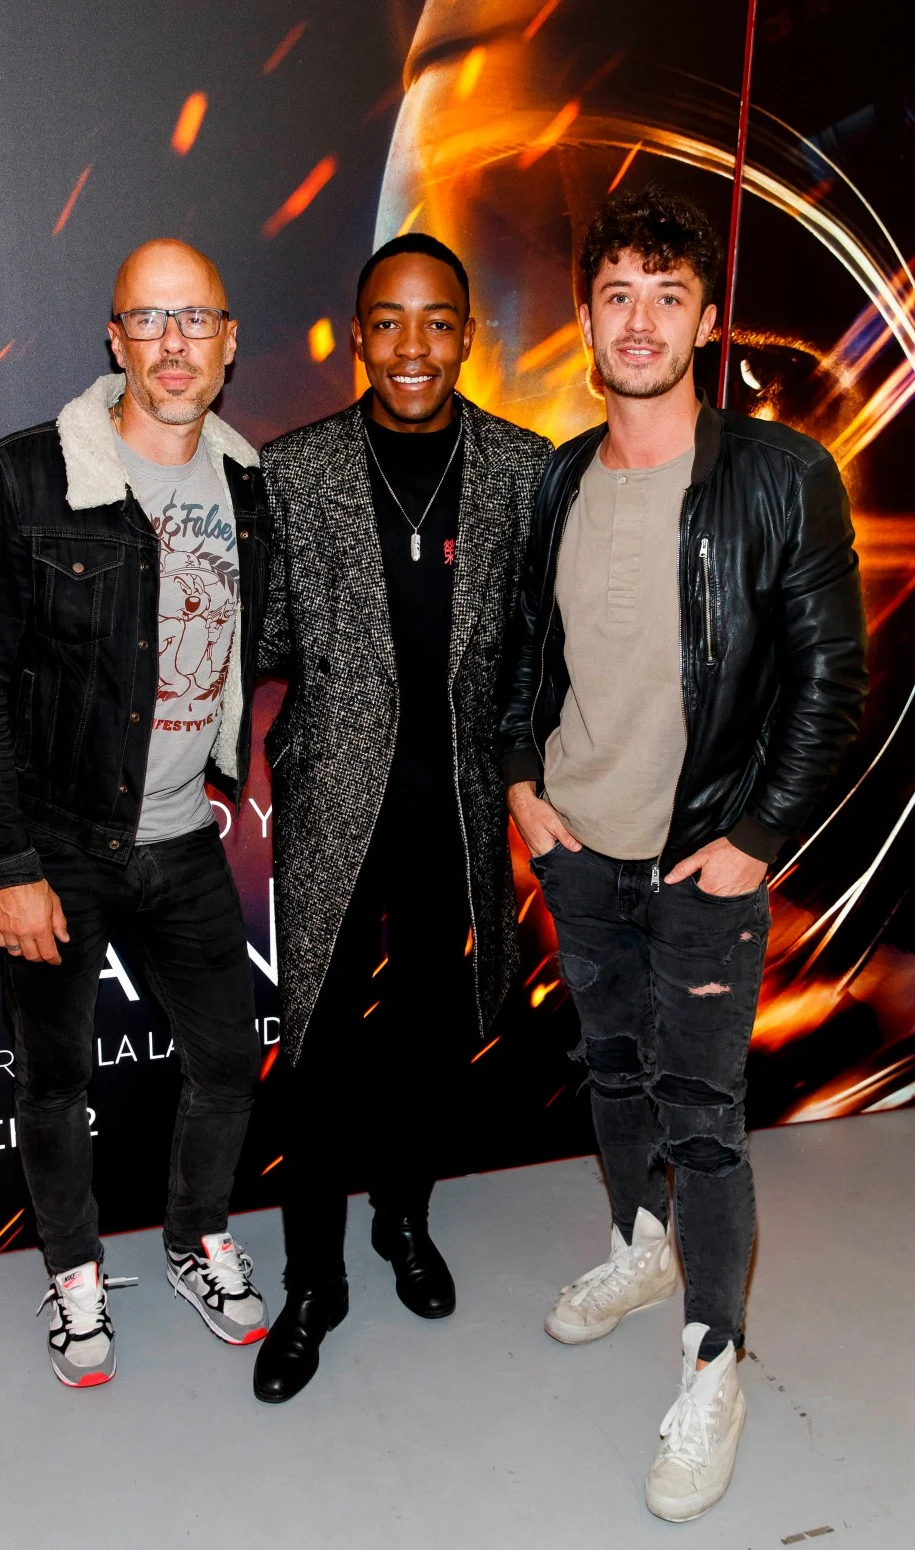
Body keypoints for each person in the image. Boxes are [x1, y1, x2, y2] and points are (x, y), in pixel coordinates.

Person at [499, 185, 867, 1520]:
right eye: (618, 295)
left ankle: (715, 1362)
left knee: (705, 1121)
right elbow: (522, 655)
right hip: (580, 849)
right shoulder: (557, 476)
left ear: (708, 320)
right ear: (586, 317)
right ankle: (638, 1244)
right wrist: (523, 785)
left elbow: (831, 680)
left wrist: (755, 837)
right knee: (611, 1069)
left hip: (705, 862)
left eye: (669, 295)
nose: (640, 321)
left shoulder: (779, 475)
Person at [0, 239, 271, 1388]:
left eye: (197, 319)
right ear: (115, 338)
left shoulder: (247, 483)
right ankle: (74, 1272)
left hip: (182, 836)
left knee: (229, 1057)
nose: (175, 344)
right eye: (150, 319)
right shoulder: (20, 479)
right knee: (54, 1080)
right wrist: (5, 864)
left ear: (229, 341)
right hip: (60, 842)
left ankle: (194, 1234)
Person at [252, 233, 552, 1403]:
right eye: (389, 320)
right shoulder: (295, 469)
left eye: (436, 321)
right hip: (334, 800)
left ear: (466, 334)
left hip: (459, 805)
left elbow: (536, 646)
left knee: (431, 1030)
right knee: (317, 1048)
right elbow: (261, 638)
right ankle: (313, 1281)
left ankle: (403, 1219)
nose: (412, 344)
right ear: (360, 334)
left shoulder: (521, 466)